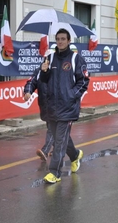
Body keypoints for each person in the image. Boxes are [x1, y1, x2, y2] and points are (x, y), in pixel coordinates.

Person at [40, 28, 89, 184]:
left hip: (67, 108)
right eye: (58, 39)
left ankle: (55, 173)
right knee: (59, 139)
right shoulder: (49, 58)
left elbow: (84, 81)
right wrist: (45, 72)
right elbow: (43, 80)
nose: (60, 41)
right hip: (52, 108)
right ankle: (75, 155)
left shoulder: (76, 59)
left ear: (69, 41)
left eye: (63, 39)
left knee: (59, 142)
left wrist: (72, 95)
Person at [23, 67, 53, 161]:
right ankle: (68, 151)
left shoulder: (60, 69)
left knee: (53, 128)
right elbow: (31, 82)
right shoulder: (39, 71)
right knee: (56, 129)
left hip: (58, 104)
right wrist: (28, 91)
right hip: (45, 104)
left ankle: (45, 150)